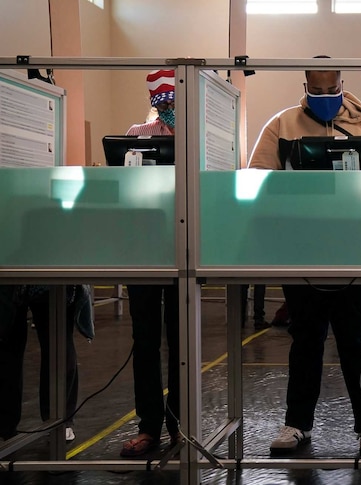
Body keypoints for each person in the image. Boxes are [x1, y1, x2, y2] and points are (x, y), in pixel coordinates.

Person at [248, 57, 361, 457]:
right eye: (318, 90)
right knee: (305, 339)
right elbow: (257, 178)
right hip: (301, 251)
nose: (326, 97)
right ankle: (297, 425)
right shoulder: (281, 124)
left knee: (356, 339)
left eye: (332, 89)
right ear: (304, 84)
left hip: (353, 253)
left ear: (343, 82)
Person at [119, 69, 180, 457]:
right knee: (144, 340)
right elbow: (122, 187)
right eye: (164, 102)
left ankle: (180, 423)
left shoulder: (200, 138)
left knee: (180, 339)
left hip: (182, 247)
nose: (170, 108)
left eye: (175, 101)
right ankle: (149, 426)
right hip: (143, 247)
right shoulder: (137, 134)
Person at [0, 285, 91, 443]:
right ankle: (4, 425)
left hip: (50, 275)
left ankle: (60, 419)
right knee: (6, 346)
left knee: (58, 343)